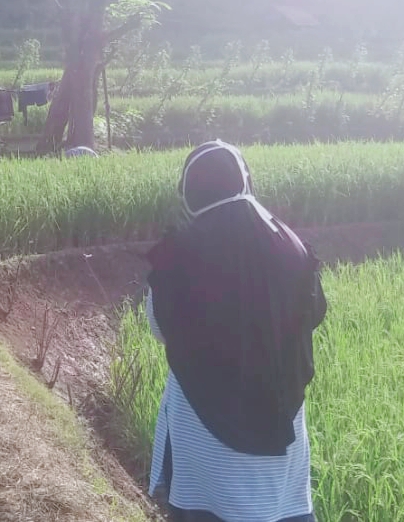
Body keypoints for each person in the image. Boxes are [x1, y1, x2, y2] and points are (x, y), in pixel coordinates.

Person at [144, 140, 327, 522]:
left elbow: (161, 327)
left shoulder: (178, 251)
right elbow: (315, 313)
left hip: (203, 414)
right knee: (280, 507)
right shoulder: (290, 244)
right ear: (245, 180)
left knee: (208, 506)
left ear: (189, 191)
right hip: (280, 416)